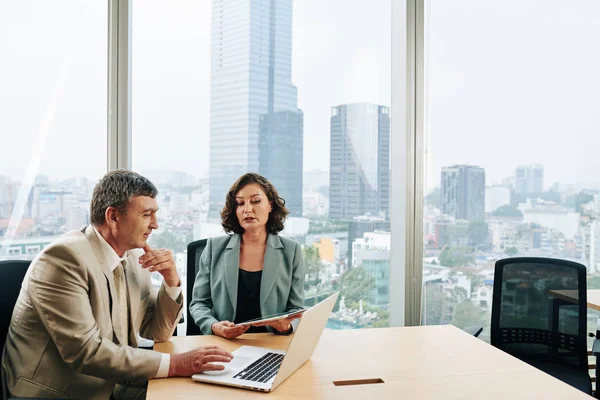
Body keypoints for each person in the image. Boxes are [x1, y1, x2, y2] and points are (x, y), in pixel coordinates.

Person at [1, 170, 232, 400]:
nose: (155, 225)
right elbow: (86, 352)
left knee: (199, 391)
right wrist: (175, 364)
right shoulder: (63, 260)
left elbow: (156, 332)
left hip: (112, 384)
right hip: (59, 393)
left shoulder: (131, 257)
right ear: (113, 217)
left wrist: (171, 281)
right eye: (146, 214)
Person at [190, 173, 305, 339]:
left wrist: (286, 326)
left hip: (272, 343)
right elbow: (199, 303)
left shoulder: (291, 251)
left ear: (270, 205)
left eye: (256, 201)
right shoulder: (214, 248)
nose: (247, 209)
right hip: (225, 343)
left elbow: (296, 309)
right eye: (240, 203)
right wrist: (214, 326)